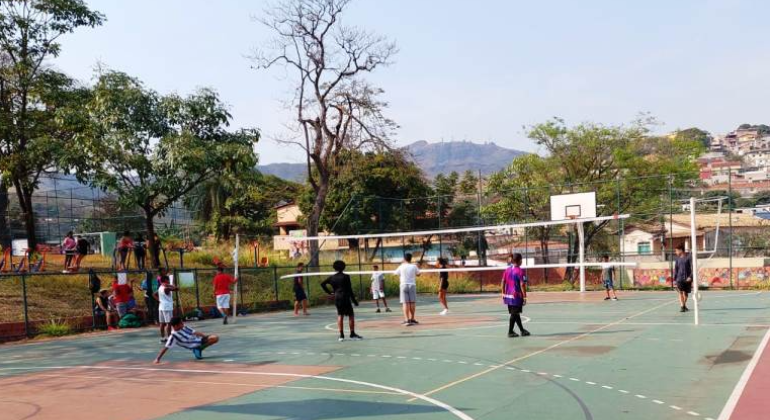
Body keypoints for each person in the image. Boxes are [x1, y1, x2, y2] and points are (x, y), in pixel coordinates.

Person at [320, 260, 361, 342]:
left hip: (337, 297)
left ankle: (341, 335)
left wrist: (330, 292)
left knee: (340, 315)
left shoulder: (332, 277)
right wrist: (354, 300)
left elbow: (322, 284)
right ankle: (352, 333)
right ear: (343, 267)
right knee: (351, 315)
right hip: (345, 297)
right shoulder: (346, 277)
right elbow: (349, 289)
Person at [154, 317, 219, 363]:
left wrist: (206, 337)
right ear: (176, 326)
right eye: (181, 323)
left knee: (215, 338)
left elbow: (195, 332)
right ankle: (196, 349)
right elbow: (166, 347)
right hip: (193, 345)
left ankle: (199, 349)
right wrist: (157, 359)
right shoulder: (173, 336)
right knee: (215, 337)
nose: (183, 323)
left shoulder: (185, 327)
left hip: (199, 340)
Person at [501, 253, 530, 338]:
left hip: (508, 295)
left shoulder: (507, 270)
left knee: (516, 313)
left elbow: (503, 282)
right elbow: (522, 285)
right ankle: (510, 331)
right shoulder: (520, 271)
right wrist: (524, 297)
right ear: (520, 260)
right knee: (514, 314)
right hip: (516, 296)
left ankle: (522, 330)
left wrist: (503, 293)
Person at [394, 253, 420, 326]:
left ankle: (407, 320)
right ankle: (412, 319)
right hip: (412, 285)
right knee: (412, 302)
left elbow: (395, 273)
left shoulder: (401, 266)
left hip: (403, 285)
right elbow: (418, 274)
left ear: (404, 259)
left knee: (405, 303)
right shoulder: (414, 266)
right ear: (411, 259)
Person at [155, 274, 178, 343]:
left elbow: (154, 294)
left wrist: (159, 300)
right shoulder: (166, 288)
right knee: (169, 323)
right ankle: (169, 338)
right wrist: (170, 285)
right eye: (168, 280)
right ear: (165, 280)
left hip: (161, 307)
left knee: (162, 323)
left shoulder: (160, 287)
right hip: (167, 307)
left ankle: (162, 338)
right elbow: (176, 288)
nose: (169, 281)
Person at [674, 243, 693, 313]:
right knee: (680, 292)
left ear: (681, 250)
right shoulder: (677, 259)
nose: (675, 252)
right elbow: (676, 270)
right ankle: (682, 306)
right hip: (679, 279)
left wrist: (691, 277)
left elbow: (693, 268)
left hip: (687, 279)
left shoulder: (689, 257)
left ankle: (684, 305)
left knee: (686, 294)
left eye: (676, 251)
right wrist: (675, 280)